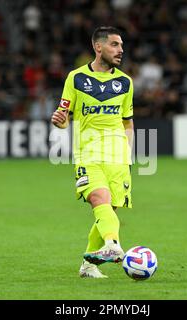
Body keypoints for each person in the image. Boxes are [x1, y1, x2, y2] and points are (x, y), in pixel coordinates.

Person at [51, 26, 134, 278]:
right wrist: (60, 121)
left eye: (121, 45)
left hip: (118, 156)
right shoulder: (75, 78)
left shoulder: (125, 83)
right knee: (99, 199)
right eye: (114, 45)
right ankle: (113, 246)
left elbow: (127, 122)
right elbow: (65, 116)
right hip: (88, 153)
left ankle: (88, 266)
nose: (120, 50)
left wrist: (129, 157)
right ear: (98, 47)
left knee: (108, 211)